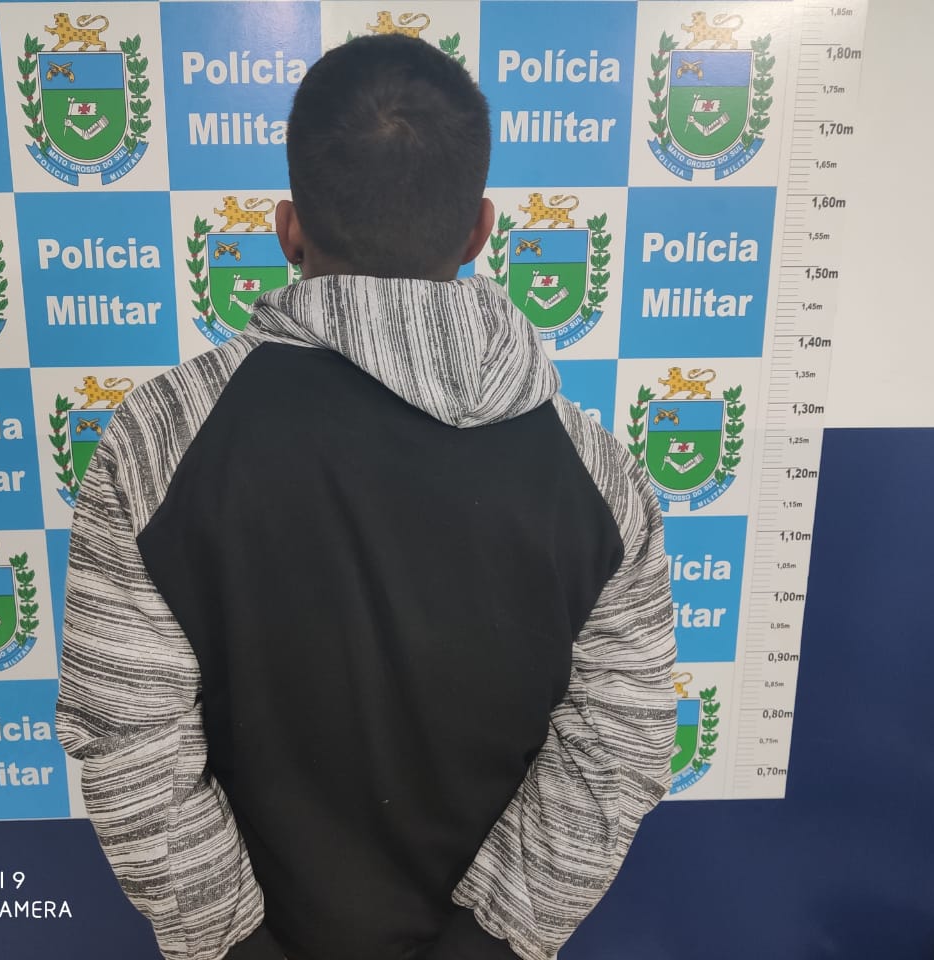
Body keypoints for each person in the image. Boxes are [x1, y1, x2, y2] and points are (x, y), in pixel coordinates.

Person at [56, 33, 677, 960]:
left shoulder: (156, 442)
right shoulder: (604, 477)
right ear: (480, 231)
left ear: (287, 228)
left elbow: (126, 738)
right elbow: (619, 745)